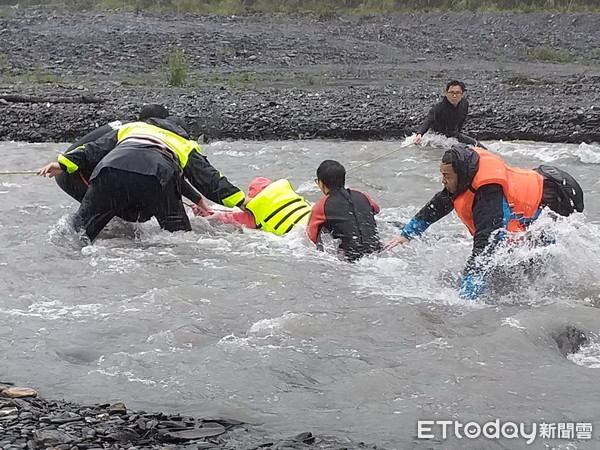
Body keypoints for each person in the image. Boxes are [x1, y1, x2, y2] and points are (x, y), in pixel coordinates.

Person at [386, 144, 584, 300]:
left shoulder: (488, 193)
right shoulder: (463, 178)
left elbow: (485, 247)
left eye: (446, 176)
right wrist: (407, 234)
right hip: (538, 192)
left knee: (538, 257)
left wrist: (467, 298)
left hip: (558, 198)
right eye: (442, 174)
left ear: (461, 174)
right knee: (509, 250)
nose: (442, 180)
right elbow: (438, 205)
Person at [38, 116, 245, 243]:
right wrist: (241, 202)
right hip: (157, 180)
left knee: (79, 233)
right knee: (180, 237)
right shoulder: (183, 143)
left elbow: (95, 148)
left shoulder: (133, 128)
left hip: (110, 173)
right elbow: (209, 178)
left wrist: (62, 164)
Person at [307, 160, 382, 261]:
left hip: (350, 260)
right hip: (377, 252)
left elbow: (311, 237)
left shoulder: (322, 205)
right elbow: (376, 209)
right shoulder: (362, 195)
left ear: (321, 183)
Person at [197, 177, 312, 235]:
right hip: (312, 222)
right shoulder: (288, 195)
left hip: (298, 235)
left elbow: (223, 217)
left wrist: (203, 211)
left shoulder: (255, 211)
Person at [414, 80, 479, 147]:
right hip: (437, 138)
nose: (454, 95)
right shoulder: (439, 107)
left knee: (478, 145)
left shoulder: (464, 104)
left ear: (462, 94)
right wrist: (420, 134)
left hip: (454, 135)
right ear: (446, 93)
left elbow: (461, 121)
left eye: (457, 93)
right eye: (451, 92)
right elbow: (428, 119)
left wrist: (458, 133)